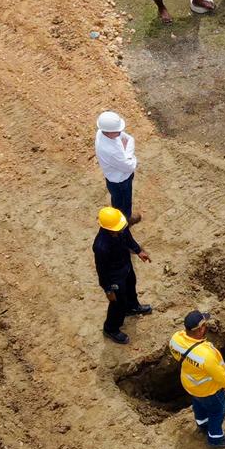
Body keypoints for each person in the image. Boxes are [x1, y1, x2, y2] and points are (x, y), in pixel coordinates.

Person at [169, 310, 225, 448]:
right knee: (217, 411)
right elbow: (219, 375)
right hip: (209, 390)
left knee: (198, 405)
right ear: (200, 329)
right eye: (204, 325)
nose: (206, 327)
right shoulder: (206, 355)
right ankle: (216, 439)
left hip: (191, 385)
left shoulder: (176, 339)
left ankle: (202, 425)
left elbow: (177, 355)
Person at [92, 206, 152, 344]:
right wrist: (108, 289)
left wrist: (138, 250)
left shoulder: (120, 228)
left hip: (126, 266)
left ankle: (132, 307)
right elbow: (101, 269)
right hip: (114, 277)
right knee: (118, 303)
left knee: (131, 285)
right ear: (109, 229)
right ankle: (111, 328)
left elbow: (128, 238)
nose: (122, 228)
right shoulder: (101, 246)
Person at [95, 111, 140, 224]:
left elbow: (129, 138)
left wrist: (126, 151)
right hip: (121, 181)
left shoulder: (101, 133)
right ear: (109, 132)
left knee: (117, 200)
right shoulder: (111, 151)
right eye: (117, 131)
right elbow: (130, 166)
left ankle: (119, 218)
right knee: (124, 202)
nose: (120, 132)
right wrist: (129, 154)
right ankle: (125, 221)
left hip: (113, 179)